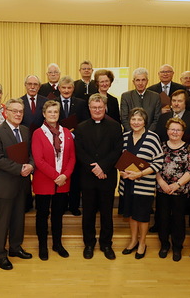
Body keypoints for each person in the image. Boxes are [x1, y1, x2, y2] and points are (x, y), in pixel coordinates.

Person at [74, 93, 122, 260]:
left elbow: (117, 150)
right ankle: (89, 244)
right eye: (94, 107)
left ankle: (106, 244)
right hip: (88, 177)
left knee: (107, 213)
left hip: (107, 177)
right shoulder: (81, 127)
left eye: (100, 107)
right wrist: (94, 168)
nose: (97, 110)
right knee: (88, 213)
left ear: (105, 108)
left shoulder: (115, 126)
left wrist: (103, 167)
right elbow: (79, 151)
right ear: (89, 108)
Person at [0, 98, 34, 270]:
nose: (18, 114)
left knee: (18, 219)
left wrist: (31, 165)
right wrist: (20, 168)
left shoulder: (25, 130)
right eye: (14, 111)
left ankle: (15, 248)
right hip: (5, 183)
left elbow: (31, 153)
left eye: (21, 111)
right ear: (6, 112)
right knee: (3, 221)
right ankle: (0, 254)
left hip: (22, 183)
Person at [32, 100, 76, 261]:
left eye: (55, 112)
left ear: (59, 114)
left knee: (58, 214)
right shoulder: (38, 133)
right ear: (44, 114)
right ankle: (42, 245)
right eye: (49, 112)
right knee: (42, 214)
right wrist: (56, 176)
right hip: (44, 181)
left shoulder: (66, 132)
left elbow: (72, 157)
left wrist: (65, 175)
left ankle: (57, 243)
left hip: (63, 182)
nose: (53, 114)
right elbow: (39, 160)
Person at [119, 107, 163, 259]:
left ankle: (142, 243)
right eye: (133, 119)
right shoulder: (124, 136)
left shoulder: (152, 137)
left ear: (145, 121)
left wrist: (141, 173)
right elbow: (119, 160)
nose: (136, 122)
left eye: (139, 119)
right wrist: (122, 172)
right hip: (127, 185)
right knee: (131, 214)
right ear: (129, 121)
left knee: (142, 216)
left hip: (144, 185)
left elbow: (159, 162)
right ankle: (133, 241)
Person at [156, 117, 190, 262]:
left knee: (178, 220)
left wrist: (177, 185)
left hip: (180, 191)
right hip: (162, 190)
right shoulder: (160, 147)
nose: (175, 132)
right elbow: (154, 167)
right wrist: (162, 183)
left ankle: (177, 247)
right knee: (163, 218)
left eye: (178, 130)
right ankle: (164, 245)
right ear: (167, 131)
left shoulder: (189, 148)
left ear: (182, 132)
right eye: (172, 129)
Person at [56, 76, 90, 216]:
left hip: (76, 144)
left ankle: (74, 205)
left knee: (75, 176)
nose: (66, 90)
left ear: (73, 89)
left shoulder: (81, 103)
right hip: (57, 145)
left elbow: (85, 122)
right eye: (63, 87)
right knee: (61, 174)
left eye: (69, 88)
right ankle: (62, 205)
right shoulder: (53, 103)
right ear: (59, 88)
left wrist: (74, 133)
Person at [20, 75, 48, 212]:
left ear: (39, 86)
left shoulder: (46, 101)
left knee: (41, 173)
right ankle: (26, 203)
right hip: (23, 143)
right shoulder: (19, 102)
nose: (32, 87)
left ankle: (41, 202)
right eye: (30, 84)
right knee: (24, 173)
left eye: (35, 84)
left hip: (42, 143)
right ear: (25, 85)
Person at [121, 67, 161, 132]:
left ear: (147, 81)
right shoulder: (126, 96)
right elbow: (124, 118)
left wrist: (147, 134)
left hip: (150, 134)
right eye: (137, 80)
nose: (140, 83)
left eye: (143, 80)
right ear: (133, 82)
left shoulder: (155, 97)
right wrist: (133, 133)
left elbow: (157, 119)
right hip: (131, 134)